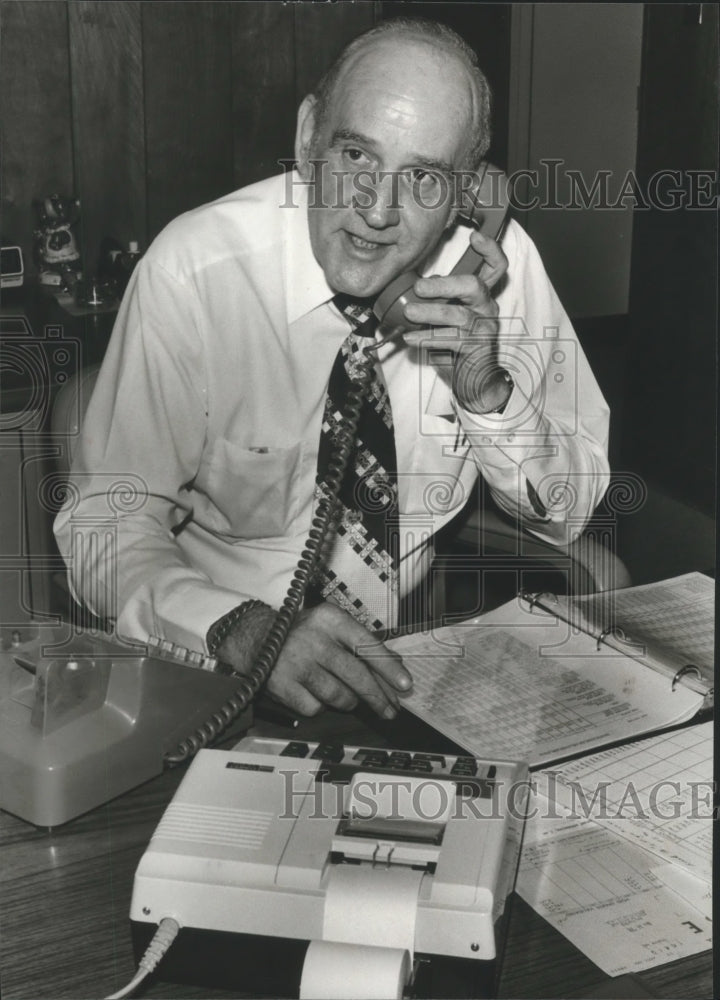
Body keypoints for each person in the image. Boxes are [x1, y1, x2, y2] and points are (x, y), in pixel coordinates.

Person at [54, 18, 610, 720]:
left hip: (404, 675)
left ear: (468, 191)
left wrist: (488, 392)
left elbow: (571, 512)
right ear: (307, 136)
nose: (377, 212)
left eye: (424, 178)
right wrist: (242, 628)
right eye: (356, 154)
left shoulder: (497, 272)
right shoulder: (194, 272)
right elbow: (104, 526)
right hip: (214, 670)